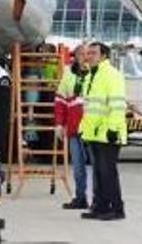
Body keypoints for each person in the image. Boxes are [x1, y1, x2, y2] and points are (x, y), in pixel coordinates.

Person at [80, 41, 128, 221]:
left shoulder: (111, 75)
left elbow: (117, 104)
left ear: (103, 56)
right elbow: (90, 108)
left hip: (108, 133)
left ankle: (116, 209)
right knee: (99, 173)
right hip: (94, 133)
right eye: (88, 53)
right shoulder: (91, 76)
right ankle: (99, 207)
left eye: (93, 53)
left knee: (108, 173)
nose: (88, 56)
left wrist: (113, 129)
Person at [55, 44, 90, 210]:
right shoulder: (68, 74)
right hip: (74, 128)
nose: (85, 57)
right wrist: (59, 124)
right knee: (77, 167)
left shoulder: (96, 74)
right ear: (75, 56)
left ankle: (100, 200)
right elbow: (60, 101)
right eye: (81, 54)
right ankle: (80, 197)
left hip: (93, 128)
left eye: (87, 54)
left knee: (97, 167)